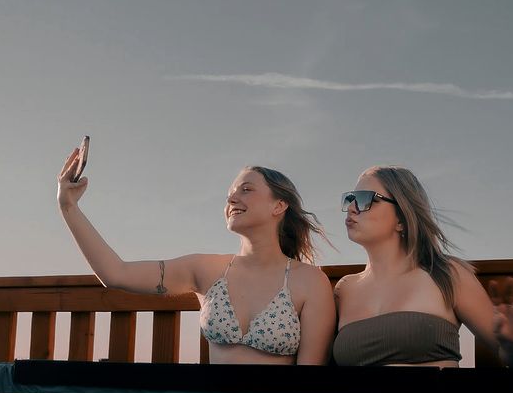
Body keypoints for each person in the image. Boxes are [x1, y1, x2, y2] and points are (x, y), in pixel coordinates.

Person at [58, 150, 336, 364]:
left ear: (279, 205)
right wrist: (69, 207)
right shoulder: (207, 269)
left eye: (246, 189)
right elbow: (115, 273)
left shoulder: (310, 281)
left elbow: (309, 380)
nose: (232, 199)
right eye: (229, 194)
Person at [333, 166, 513, 368]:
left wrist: (511, 343)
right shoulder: (345, 289)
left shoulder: (446, 274)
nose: (352, 207)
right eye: (351, 199)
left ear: (401, 218)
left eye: (366, 199)